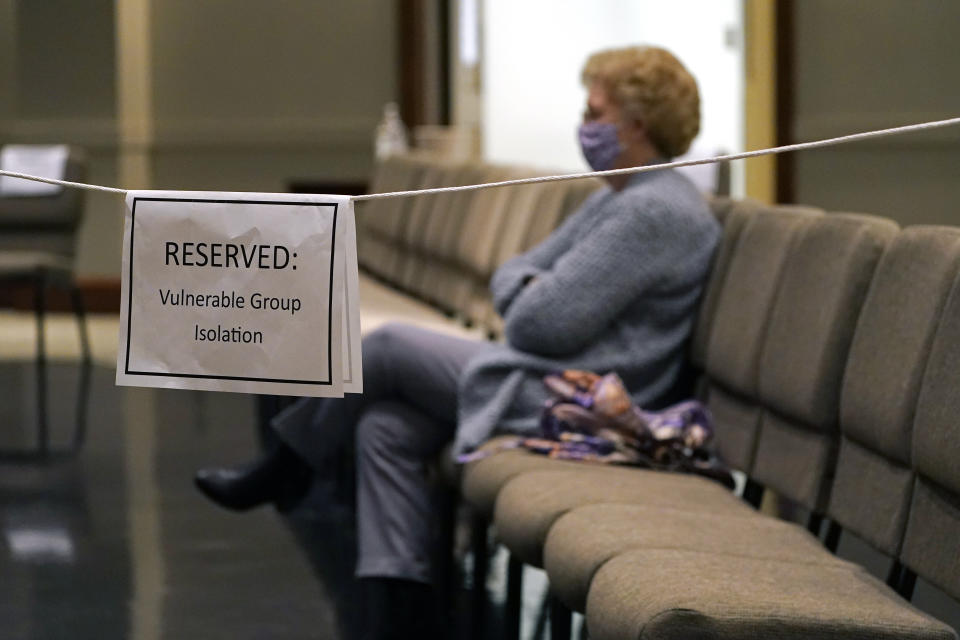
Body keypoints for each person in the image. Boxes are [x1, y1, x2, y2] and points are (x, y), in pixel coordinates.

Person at [194, 45, 718, 638]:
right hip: (542, 372)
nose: (584, 124)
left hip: (580, 401)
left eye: (594, 112)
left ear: (637, 125)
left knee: (387, 349)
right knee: (383, 427)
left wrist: (530, 288)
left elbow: (536, 322)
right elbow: (518, 274)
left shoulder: (655, 211)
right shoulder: (617, 198)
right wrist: (530, 286)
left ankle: (286, 467)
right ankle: (396, 616)